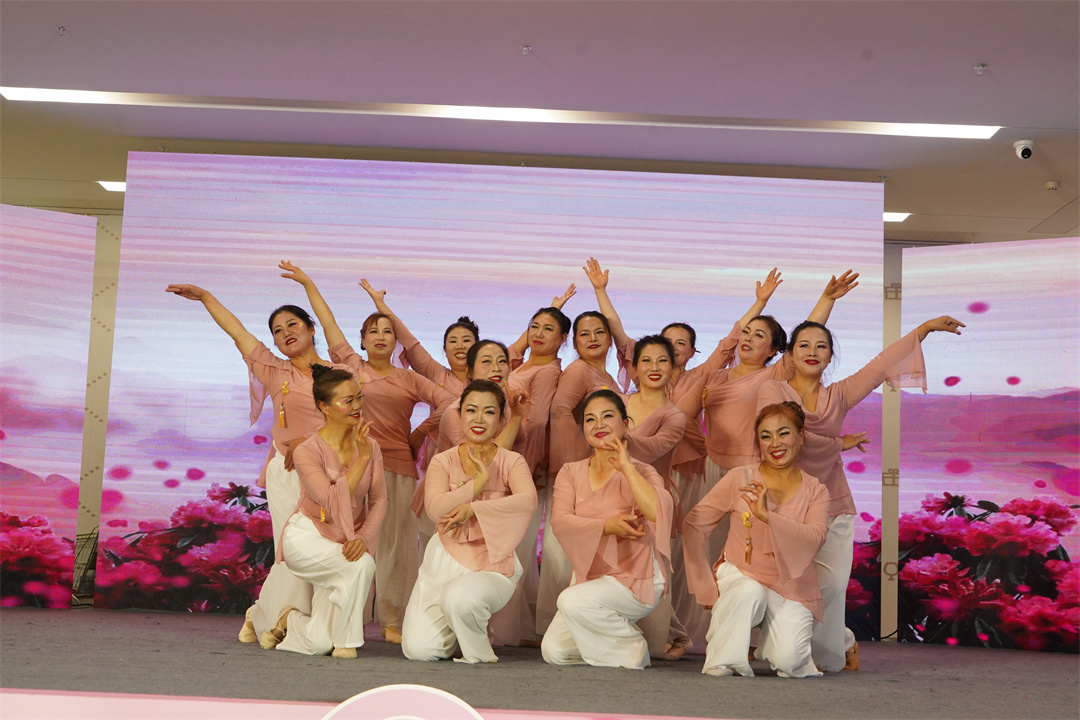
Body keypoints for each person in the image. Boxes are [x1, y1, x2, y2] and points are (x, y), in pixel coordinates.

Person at [758, 315, 965, 672]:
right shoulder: (772, 391)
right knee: (786, 585)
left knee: (832, 586)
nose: (812, 351)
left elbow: (880, 365)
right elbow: (787, 434)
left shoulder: (839, 395)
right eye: (803, 345)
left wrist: (924, 329)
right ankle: (830, 644)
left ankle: (828, 649)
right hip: (784, 505)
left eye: (821, 346)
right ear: (789, 354)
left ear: (830, 356)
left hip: (832, 502)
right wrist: (838, 444)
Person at [280, 263, 455, 644]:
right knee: (347, 540)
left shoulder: (409, 378)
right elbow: (328, 324)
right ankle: (347, 617)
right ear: (361, 341)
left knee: (396, 547)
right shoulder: (351, 368)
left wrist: (418, 434)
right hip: (350, 469)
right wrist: (308, 283)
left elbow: (448, 402)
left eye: (388, 331)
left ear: (396, 342)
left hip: (397, 466)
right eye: (373, 331)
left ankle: (391, 620)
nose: (381, 336)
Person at [165, 282, 340, 644]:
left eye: (293, 324)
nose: (285, 332)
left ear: (311, 328)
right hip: (288, 472)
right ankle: (283, 621)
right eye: (277, 330)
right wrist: (207, 297)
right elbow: (237, 332)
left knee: (326, 547)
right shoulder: (275, 371)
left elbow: (350, 423)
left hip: (332, 474)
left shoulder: (340, 374)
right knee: (292, 548)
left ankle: (267, 615)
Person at [683, 402, 829, 678]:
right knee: (747, 592)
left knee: (789, 662)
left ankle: (772, 645)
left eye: (783, 433)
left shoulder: (817, 491)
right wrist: (703, 585)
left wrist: (766, 516)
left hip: (791, 586)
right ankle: (722, 659)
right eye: (765, 436)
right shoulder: (740, 478)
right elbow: (694, 524)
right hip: (743, 573)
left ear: (800, 436)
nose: (775, 443)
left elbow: (815, 538)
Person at [401, 380, 537, 663]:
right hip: (444, 559)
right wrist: (478, 483)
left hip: (493, 561)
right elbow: (435, 509)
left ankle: (480, 652)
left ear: (500, 421)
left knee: (460, 598)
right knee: (418, 650)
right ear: (460, 416)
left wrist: (473, 509)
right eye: (471, 410)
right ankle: (463, 629)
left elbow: (528, 501)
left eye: (489, 412)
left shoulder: (512, 461)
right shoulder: (443, 461)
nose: (479, 419)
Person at [260, 365, 387, 658]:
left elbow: (380, 499)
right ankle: (347, 643)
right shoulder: (307, 450)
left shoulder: (372, 445)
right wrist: (362, 459)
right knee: (362, 565)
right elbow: (331, 500)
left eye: (359, 397)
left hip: (346, 541)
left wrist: (364, 538)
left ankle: (289, 619)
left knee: (317, 644)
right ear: (324, 407)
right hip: (307, 537)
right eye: (348, 400)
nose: (357, 406)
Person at [541, 390, 673, 669]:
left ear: (625, 424)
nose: (598, 424)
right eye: (590, 419)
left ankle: (633, 649)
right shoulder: (570, 471)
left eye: (607, 416)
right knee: (554, 651)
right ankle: (620, 639)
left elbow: (656, 512)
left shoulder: (643, 471)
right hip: (590, 578)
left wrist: (626, 467)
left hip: (637, 577)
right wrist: (606, 526)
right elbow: (560, 521)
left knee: (570, 601)